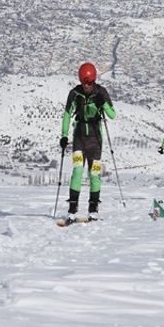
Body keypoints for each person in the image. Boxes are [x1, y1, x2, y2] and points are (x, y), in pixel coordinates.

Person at [59, 62, 117, 220]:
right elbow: (66, 114)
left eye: (90, 83)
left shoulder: (101, 92)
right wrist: (64, 135)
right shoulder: (75, 94)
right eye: (84, 82)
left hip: (96, 140)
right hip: (79, 137)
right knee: (77, 171)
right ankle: (72, 208)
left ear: (94, 80)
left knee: (94, 174)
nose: (87, 86)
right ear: (80, 80)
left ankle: (93, 207)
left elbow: (112, 115)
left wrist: (102, 103)